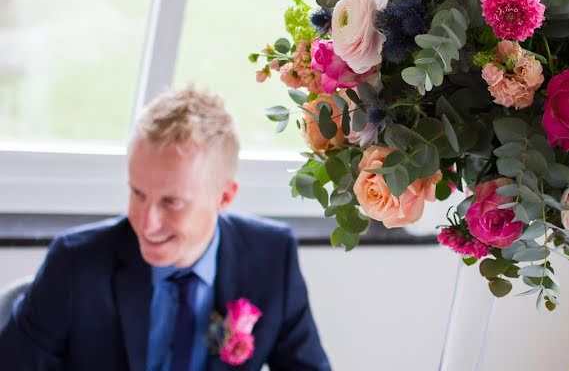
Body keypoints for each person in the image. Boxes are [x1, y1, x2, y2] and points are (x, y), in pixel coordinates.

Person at [0, 85, 331, 370]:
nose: (147, 223)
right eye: (138, 193)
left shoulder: (272, 258)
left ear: (224, 197)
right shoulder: (75, 264)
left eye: (171, 202)